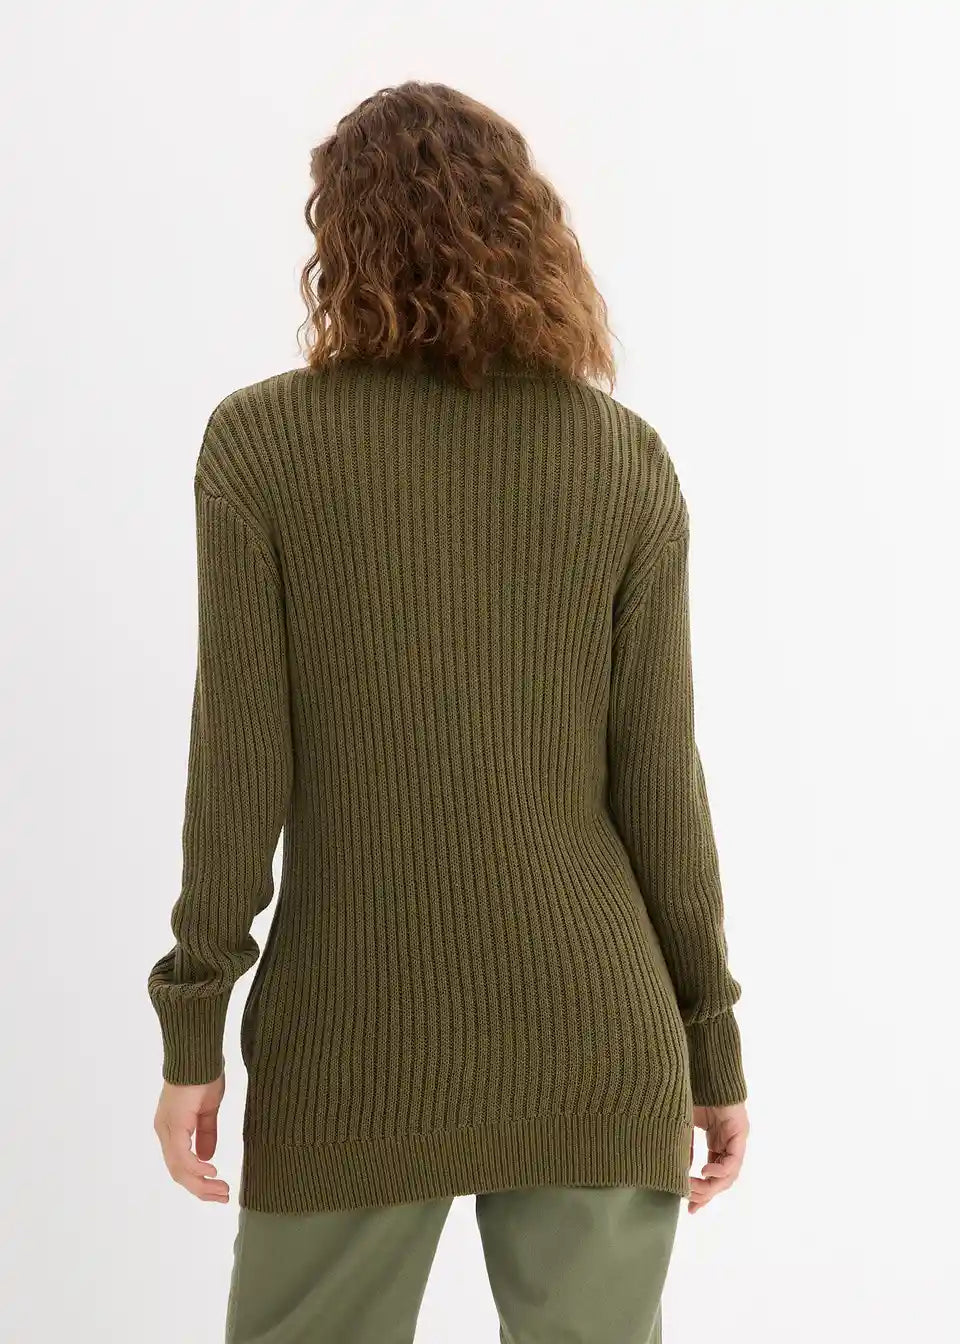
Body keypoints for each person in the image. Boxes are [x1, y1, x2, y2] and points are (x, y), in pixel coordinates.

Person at [148, 81, 749, 1344]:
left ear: (341, 242)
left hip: (351, 1037)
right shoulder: (620, 459)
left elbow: (237, 773)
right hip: (597, 1027)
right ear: (529, 230)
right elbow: (661, 786)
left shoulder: (262, 447)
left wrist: (193, 1027)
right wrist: (710, 1043)